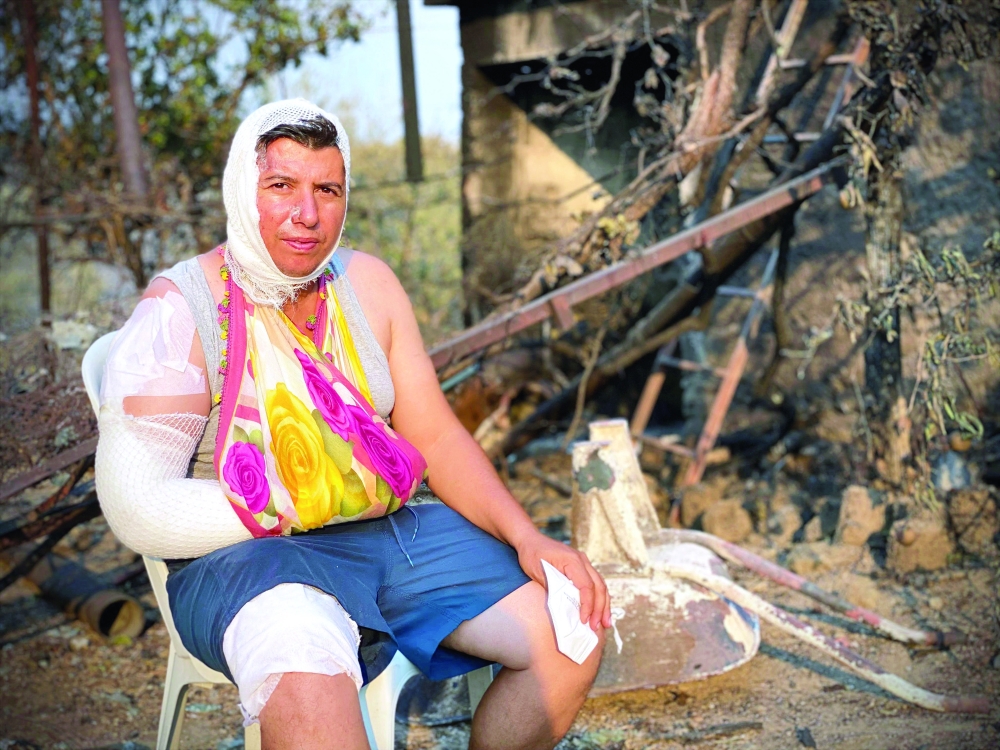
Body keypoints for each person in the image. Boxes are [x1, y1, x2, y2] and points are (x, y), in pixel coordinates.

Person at [95, 99, 610, 750]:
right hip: (245, 559)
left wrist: (528, 536)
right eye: (281, 186)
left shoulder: (367, 285)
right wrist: (307, 497)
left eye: (326, 190)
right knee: (306, 663)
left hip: (382, 533)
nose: (306, 214)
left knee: (572, 627)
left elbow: (438, 435)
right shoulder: (181, 309)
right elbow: (134, 504)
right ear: (240, 189)